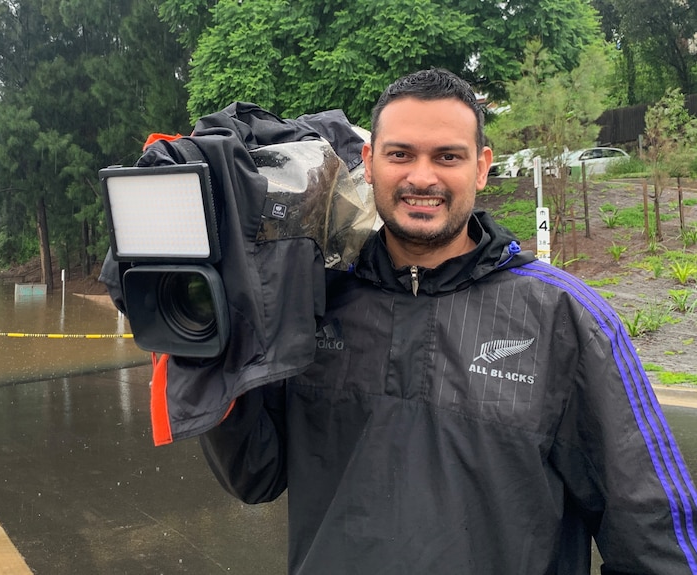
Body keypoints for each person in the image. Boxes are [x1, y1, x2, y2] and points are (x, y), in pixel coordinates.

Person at [198, 68, 697, 574]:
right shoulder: (315, 300)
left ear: (482, 167)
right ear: (369, 163)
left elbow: (653, 539)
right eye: (401, 154)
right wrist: (210, 338)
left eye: (447, 156)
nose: (421, 177)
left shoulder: (568, 320)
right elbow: (255, 474)